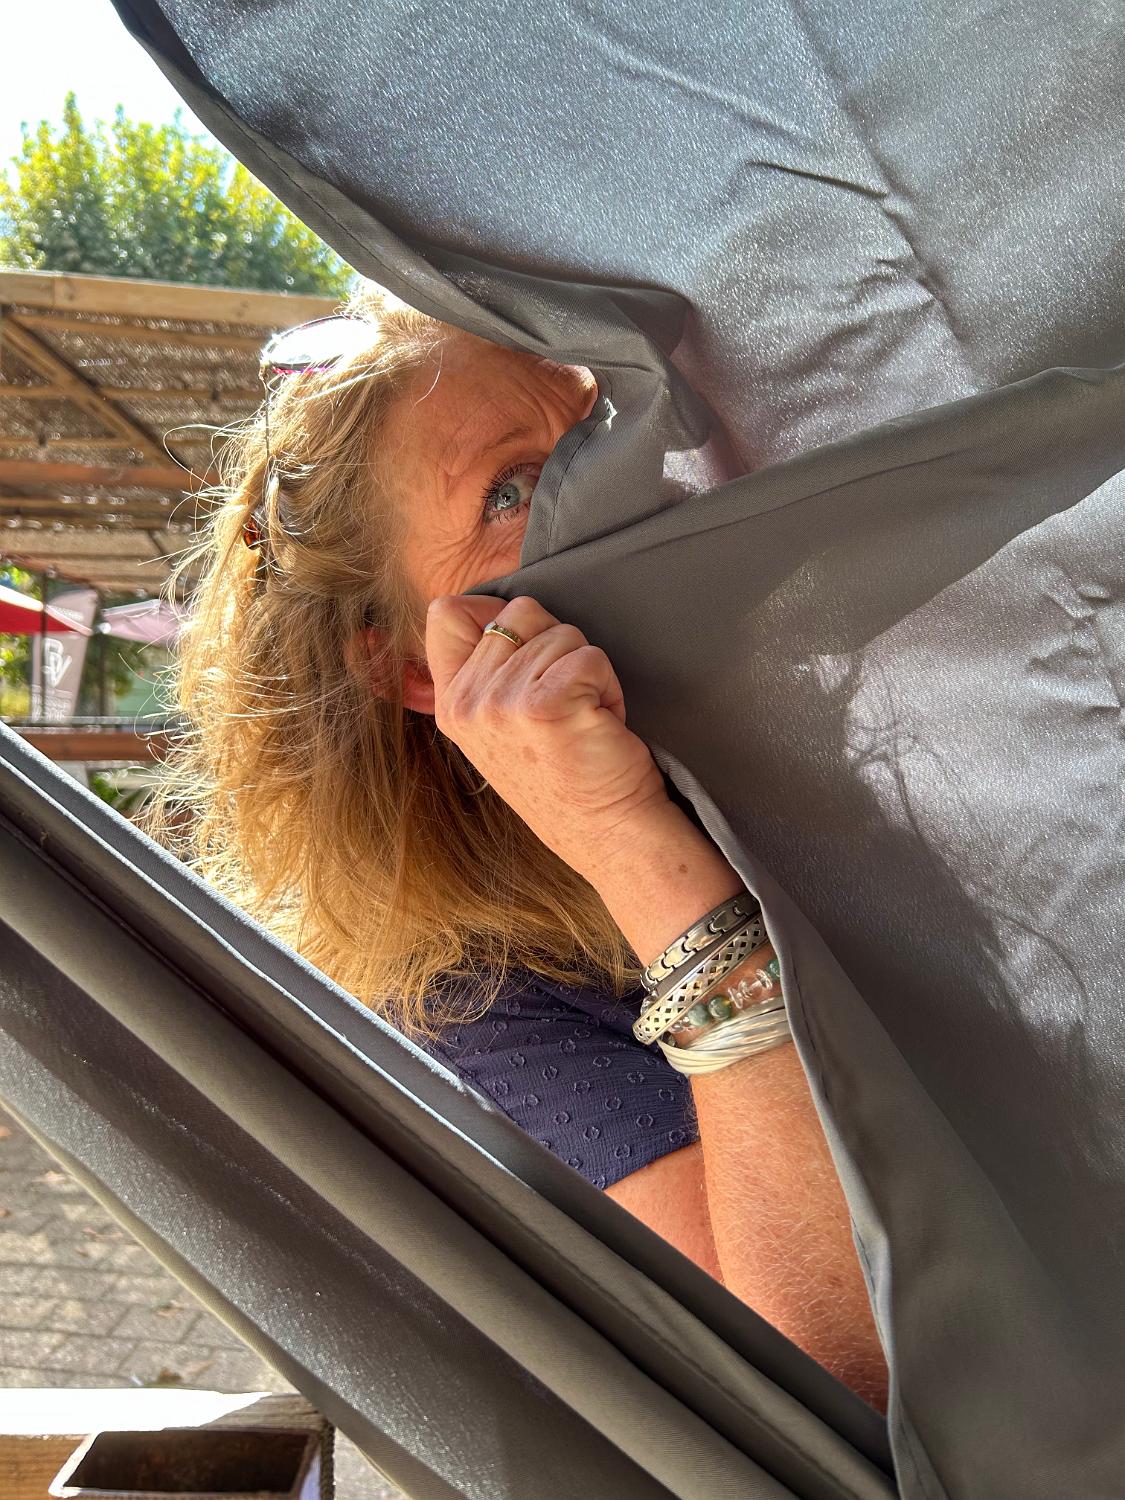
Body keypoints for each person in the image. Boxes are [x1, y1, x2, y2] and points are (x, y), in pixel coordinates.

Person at [148, 282, 888, 1409]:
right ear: (411, 667)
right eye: (512, 490)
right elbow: (824, 1370)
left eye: (602, 433)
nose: (621, 492)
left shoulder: (833, 701)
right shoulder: (470, 1004)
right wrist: (629, 846)